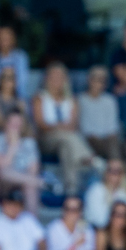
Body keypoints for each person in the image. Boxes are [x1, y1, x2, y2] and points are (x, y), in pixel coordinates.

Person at [32, 63, 94, 195]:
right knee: (68, 137)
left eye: (60, 76)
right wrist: (59, 127)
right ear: (47, 78)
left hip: (65, 140)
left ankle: (71, 189)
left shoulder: (72, 99)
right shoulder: (39, 98)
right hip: (46, 140)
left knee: (66, 147)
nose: (56, 79)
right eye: (53, 76)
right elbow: (41, 124)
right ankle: (89, 158)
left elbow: (73, 125)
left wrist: (57, 126)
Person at [0, 109, 42, 207]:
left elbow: (33, 170)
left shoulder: (29, 143)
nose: (15, 127)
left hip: (23, 181)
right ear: (6, 124)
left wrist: (24, 179)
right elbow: (1, 166)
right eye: (12, 124)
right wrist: (13, 146)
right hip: (3, 183)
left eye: (18, 125)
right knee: (3, 172)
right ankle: (41, 183)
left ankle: (32, 220)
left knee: (31, 186)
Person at [77, 64, 123, 164]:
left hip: (107, 141)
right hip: (87, 141)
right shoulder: (79, 100)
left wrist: (107, 138)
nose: (99, 83)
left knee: (114, 143)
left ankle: (115, 169)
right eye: (96, 79)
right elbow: (80, 128)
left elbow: (112, 128)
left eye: (102, 80)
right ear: (89, 80)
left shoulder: (110, 100)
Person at [0, 26, 32, 101]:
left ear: (13, 40)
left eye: (7, 38)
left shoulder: (21, 56)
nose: (4, 41)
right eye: (1, 38)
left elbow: (22, 82)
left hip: (17, 97)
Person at [82, 156, 126, 230]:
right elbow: (98, 220)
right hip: (98, 230)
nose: (114, 174)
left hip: (120, 231)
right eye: (110, 170)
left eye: (118, 171)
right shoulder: (96, 190)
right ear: (106, 173)